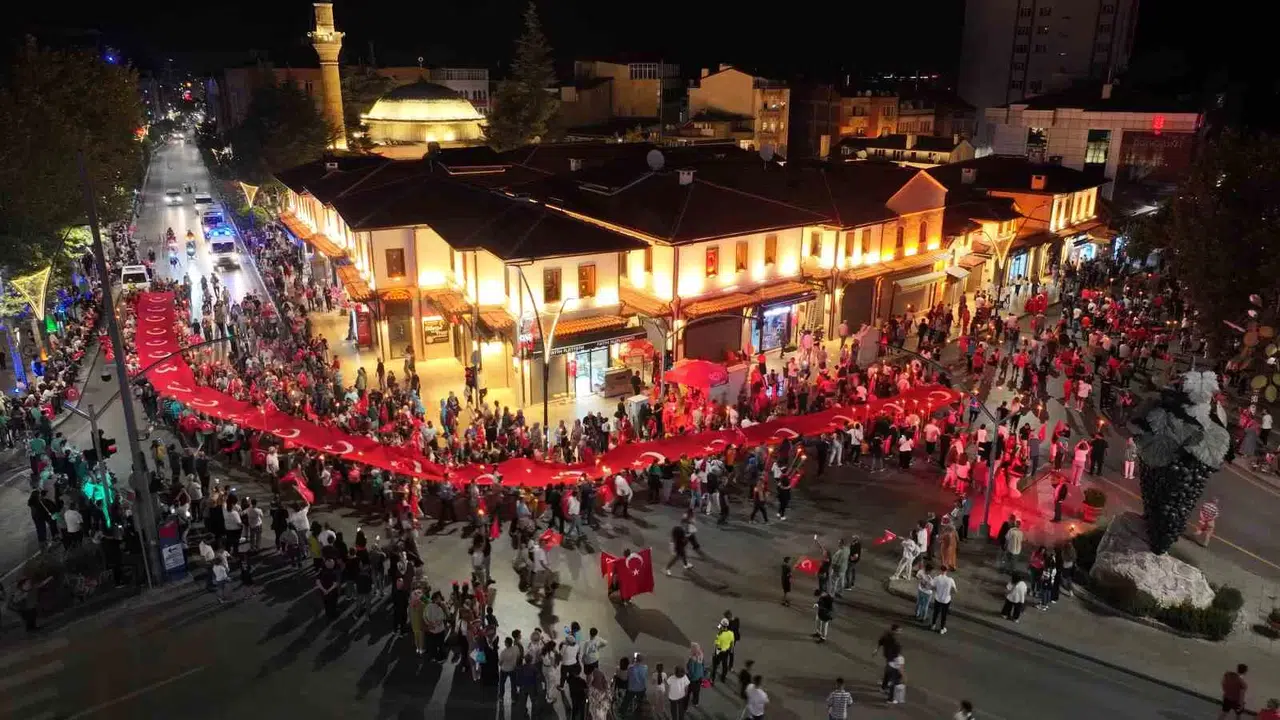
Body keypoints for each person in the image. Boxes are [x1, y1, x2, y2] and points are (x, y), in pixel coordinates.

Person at [929, 566, 956, 635]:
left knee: (936, 612)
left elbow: (931, 586)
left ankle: (933, 625)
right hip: (946, 600)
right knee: (944, 615)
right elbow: (954, 591)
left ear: (940, 570)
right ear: (947, 571)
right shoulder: (950, 580)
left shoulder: (937, 578)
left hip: (938, 598)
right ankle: (942, 628)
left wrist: (937, 589)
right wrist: (948, 592)